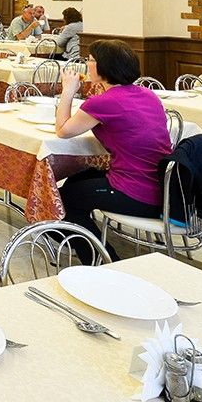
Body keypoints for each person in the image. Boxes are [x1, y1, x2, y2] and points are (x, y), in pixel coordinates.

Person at [54, 39, 168, 262]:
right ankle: (73, 238)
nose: (87, 64)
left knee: (64, 200)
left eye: (90, 60)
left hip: (138, 192)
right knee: (78, 179)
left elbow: (63, 130)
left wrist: (67, 91)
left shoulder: (103, 103)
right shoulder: (148, 95)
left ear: (103, 66)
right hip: (164, 187)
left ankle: (105, 262)